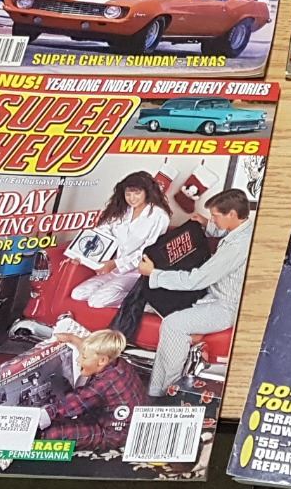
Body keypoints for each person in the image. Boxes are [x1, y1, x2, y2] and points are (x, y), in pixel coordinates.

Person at [139, 188, 255, 397]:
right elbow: (226, 232)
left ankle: (169, 389)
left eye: (215, 216)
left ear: (231, 214)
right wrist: (206, 223)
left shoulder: (237, 247)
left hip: (226, 306)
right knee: (152, 304)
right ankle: (157, 389)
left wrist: (154, 274)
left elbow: (196, 279)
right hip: (212, 295)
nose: (213, 219)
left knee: (173, 324)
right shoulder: (247, 228)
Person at [36, 329, 149, 452]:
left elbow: (74, 403)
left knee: (52, 434)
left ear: (102, 361)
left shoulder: (104, 383)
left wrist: (42, 415)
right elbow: (92, 351)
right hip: (128, 421)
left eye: (84, 357)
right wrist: (72, 338)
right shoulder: (116, 362)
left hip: (113, 434)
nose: (79, 360)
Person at [71, 171, 171, 309]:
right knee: (78, 294)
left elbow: (148, 251)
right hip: (115, 269)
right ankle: (125, 296)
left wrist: (115, 263)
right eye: (128, 194)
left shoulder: (159, 216)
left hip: (137, 272)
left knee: (96, 301)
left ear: (146, 192)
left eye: (137, 193)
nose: (132, 198)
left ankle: (145, 302)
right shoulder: (121, 211)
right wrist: (81, 256)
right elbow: (101, 233)